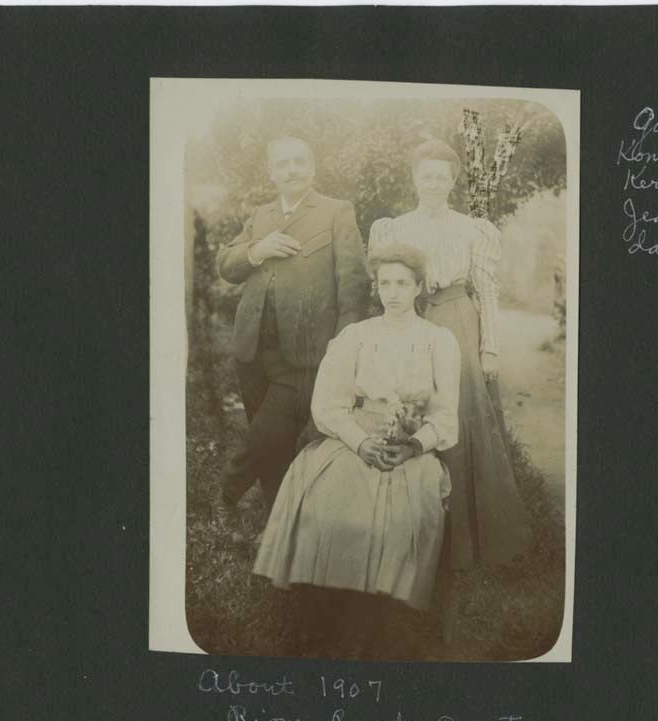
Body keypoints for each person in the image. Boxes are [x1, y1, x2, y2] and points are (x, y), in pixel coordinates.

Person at [252, 244, 460, 659]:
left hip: (409, 446)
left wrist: (413, 446)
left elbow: (446, 416)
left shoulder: (438, 341)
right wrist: (360, 442)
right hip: (355, 438)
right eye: (385, 284)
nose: (393, 293)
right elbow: (328, 405)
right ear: (375, 287)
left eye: (402, 283)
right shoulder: (356, 336)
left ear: (418, 287)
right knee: (329, 508)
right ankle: (320, 620)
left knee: (398, 520)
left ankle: (374, 626)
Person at [367, 138, 530, 572]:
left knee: (458, 417)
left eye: (442, 177)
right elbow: (384, 286)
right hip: (412, 320)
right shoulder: (395, 228)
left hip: (458, 319)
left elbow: (487, 291)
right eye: (427, 176)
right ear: (415, 179)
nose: (434, 183)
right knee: (409, 410)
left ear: (452, 182)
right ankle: (411, 535)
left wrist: (489, 348)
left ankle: (465, 543)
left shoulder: (471, 229)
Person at [214, 137, 369, 540]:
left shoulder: (336, 211)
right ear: (272, 172)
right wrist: (257, 249)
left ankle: (227, 495)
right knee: (272, 440)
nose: (292, 170)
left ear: (312, 168)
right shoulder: (260, 216)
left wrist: (343, 347)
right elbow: (226, 264)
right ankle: (277, 521)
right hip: (251, 348)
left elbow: (353, 284)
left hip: (305, 352)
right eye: (283, 164)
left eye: (300, 162)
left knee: (266, 432)